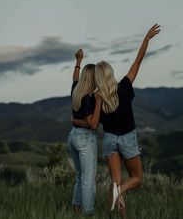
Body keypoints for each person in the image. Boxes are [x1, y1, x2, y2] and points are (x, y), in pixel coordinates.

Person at [94, 24, 161, 218]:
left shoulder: (96, 98)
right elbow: (137, 63)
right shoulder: (123, 87)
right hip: (127, 139)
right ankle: (119, 193)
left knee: (116, 182)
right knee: (137, 178)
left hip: (108, 140)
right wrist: (146, 40)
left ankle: (113, 213)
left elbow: (95, 122)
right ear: (110, 74)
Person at [67, 49, 102, 216]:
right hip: (85, 139)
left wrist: (78, 61)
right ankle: (88, 213)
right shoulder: (89, 97)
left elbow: (74, 77)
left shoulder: (76, 89)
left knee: (80, 176)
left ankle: (76, 210)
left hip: (72, 136)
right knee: (88, 180)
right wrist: (99, 102)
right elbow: (92, 124)